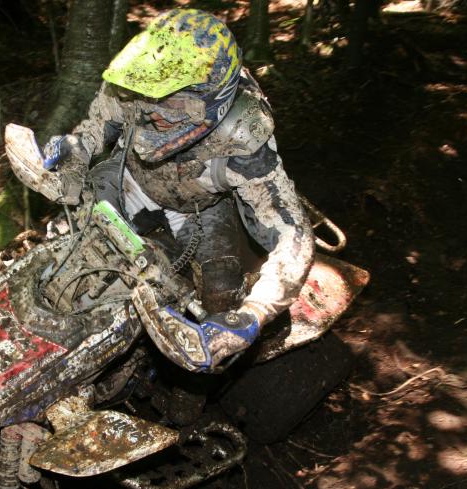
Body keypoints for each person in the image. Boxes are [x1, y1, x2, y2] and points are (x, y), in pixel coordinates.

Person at [24, 8, 313, 372]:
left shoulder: (243, 136)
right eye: (146, 94)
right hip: (128, 177)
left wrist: (254, 313)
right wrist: (72, 151)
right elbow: (95, 127)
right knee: (66, 238)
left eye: (169, 103)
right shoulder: (135, 86)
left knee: (220, 295)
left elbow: (292, 234)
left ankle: (188, 402)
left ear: (212, 100)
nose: (150, 111)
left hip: (200, 208)